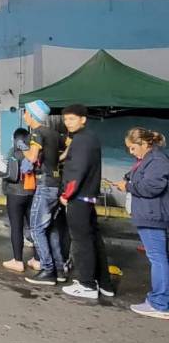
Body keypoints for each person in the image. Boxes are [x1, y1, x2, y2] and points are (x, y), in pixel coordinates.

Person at [58, 104, 113, 300]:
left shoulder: (81, 140)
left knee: (81, 241)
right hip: (88, 196)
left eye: (72, 119)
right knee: (93, 239)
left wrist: (66, 194)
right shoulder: (90, 138)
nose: (68, 123)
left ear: (83, 119)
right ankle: (104, 283)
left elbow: (76, 172)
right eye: (66, 119)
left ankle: (87, 284)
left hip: (78, 198)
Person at [116, 128, 169, 318]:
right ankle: (159, 299)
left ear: (145, 144)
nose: (131, 152)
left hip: (153, 215)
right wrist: (128, 179)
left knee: (158, 258)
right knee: (159, 257)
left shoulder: (157, 160)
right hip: (148, 214)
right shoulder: (147, 160)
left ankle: (161, 304)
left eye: (132, 148)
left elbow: (153, 187)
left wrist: (128, 186)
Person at [22, 100, 68, 286]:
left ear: (31, 115)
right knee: (51, 229)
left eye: (25, 112)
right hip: (56, 183)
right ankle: (59, 270)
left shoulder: (37, 133)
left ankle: (47, 270)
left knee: (36, 229)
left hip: (45, 184)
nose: (24, 115)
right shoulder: (55, 134)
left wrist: (22, 147)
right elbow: (67, 150)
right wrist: (55, 161)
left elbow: (32, 157)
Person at [0, 128, 35, 273]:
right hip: (31, 193)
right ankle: (38, 259)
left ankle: (17, 261)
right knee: (34, 227)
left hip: (16, 194)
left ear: (16, 140)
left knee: (16, 227)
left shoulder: (14, 153)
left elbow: (9, 174)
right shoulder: (34, 153)